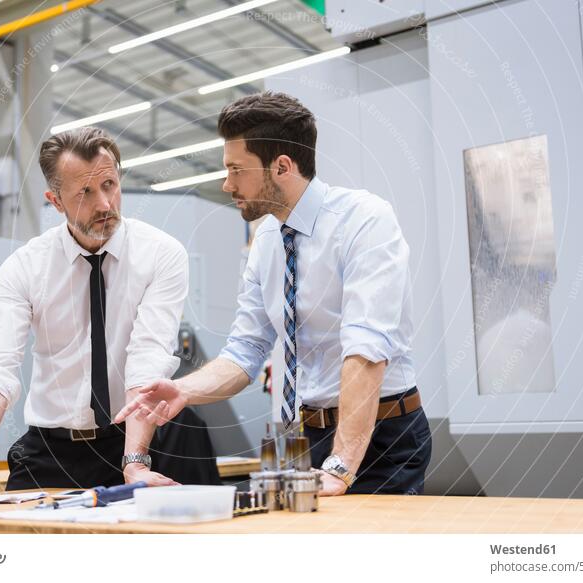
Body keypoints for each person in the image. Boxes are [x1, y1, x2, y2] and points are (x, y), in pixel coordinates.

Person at [116, 92, 432, 496]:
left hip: (382, 437)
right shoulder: (267, 240)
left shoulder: (364, 221)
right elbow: (245, 350)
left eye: (236, 169)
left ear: (282, 166)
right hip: (309, 436)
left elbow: (367, 351)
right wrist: (185, 390)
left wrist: (340, 466)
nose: (226, 183)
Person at [0, 127, 184, 498]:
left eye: (109, 184)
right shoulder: (25, 267)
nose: (105, 203)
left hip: (133, 442)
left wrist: (134, 461)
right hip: (49, 450)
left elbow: (147, 357)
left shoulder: (160, 254)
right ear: (55, 201)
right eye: (85, 192)